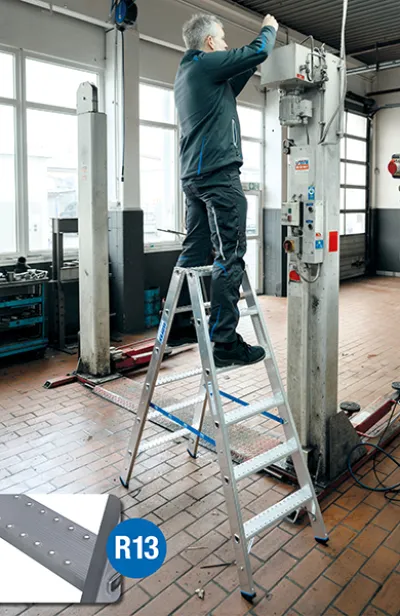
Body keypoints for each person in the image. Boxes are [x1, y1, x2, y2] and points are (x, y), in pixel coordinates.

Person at [168, 12, 279, 368]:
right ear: (211, 43)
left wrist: (248, 65)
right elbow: (257, 51)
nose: (228, 45)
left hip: (195, 177)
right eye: (224, 40)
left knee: (196, 248)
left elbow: (233, 82)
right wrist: (269, 31)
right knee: (229, 256)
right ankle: (225, 342)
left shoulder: (189, 74)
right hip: (218, 175)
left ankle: (178, 324)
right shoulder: (203, 65)